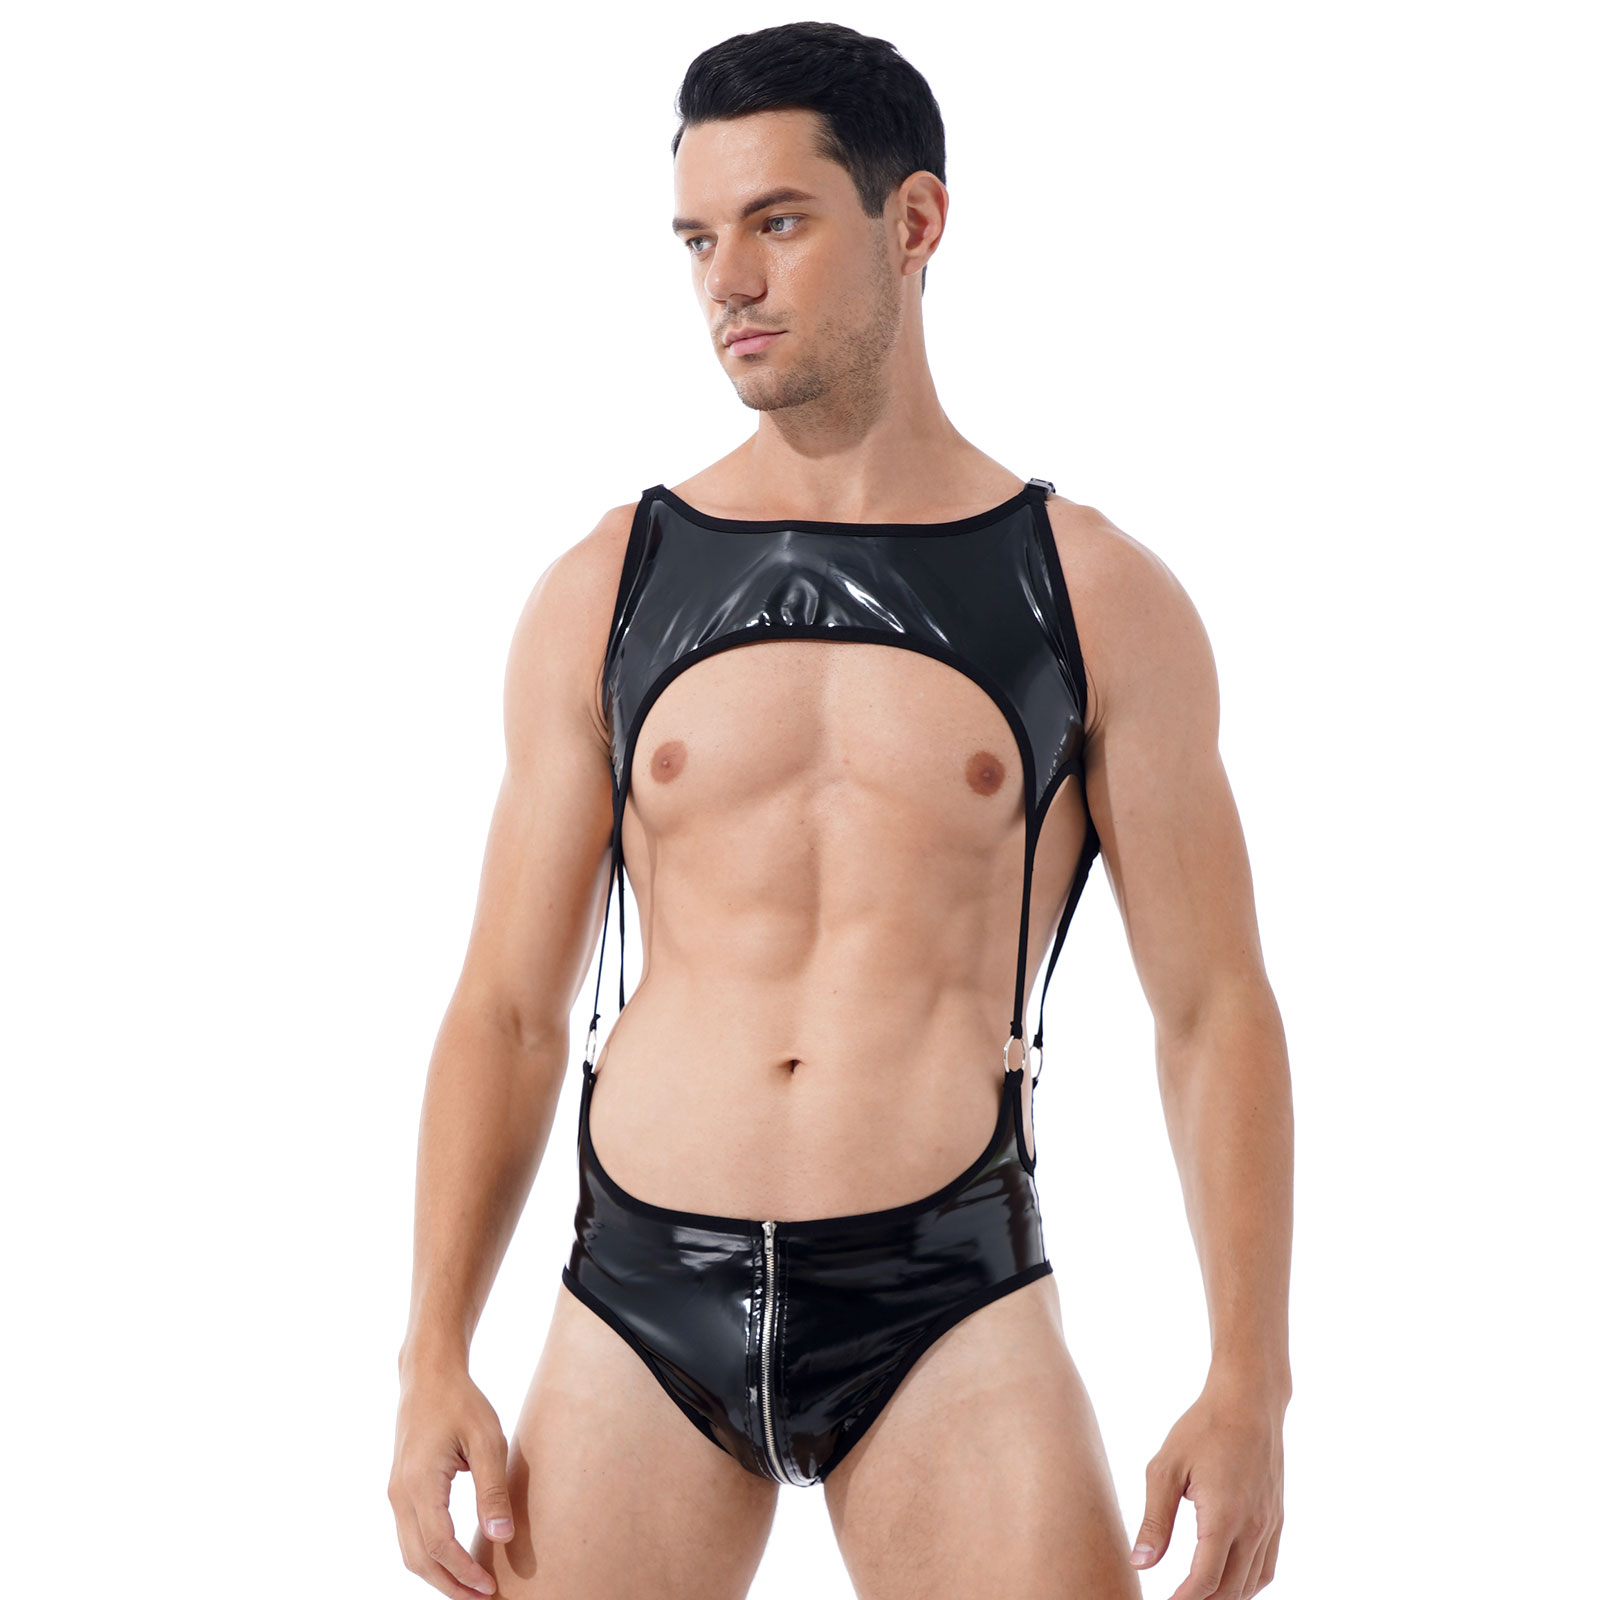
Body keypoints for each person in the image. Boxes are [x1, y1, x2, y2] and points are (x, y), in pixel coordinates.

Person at [389, 20, 1292, 1600]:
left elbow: (1214, 1008)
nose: (727, 280)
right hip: (638, 1297)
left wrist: (1249, 1384)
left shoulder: (1092, 595)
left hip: (945, 1296)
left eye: (779, 221)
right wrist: (429, 1357)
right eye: (697, 239)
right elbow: (511, 1013)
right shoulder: (610, 586)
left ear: (915, 221)